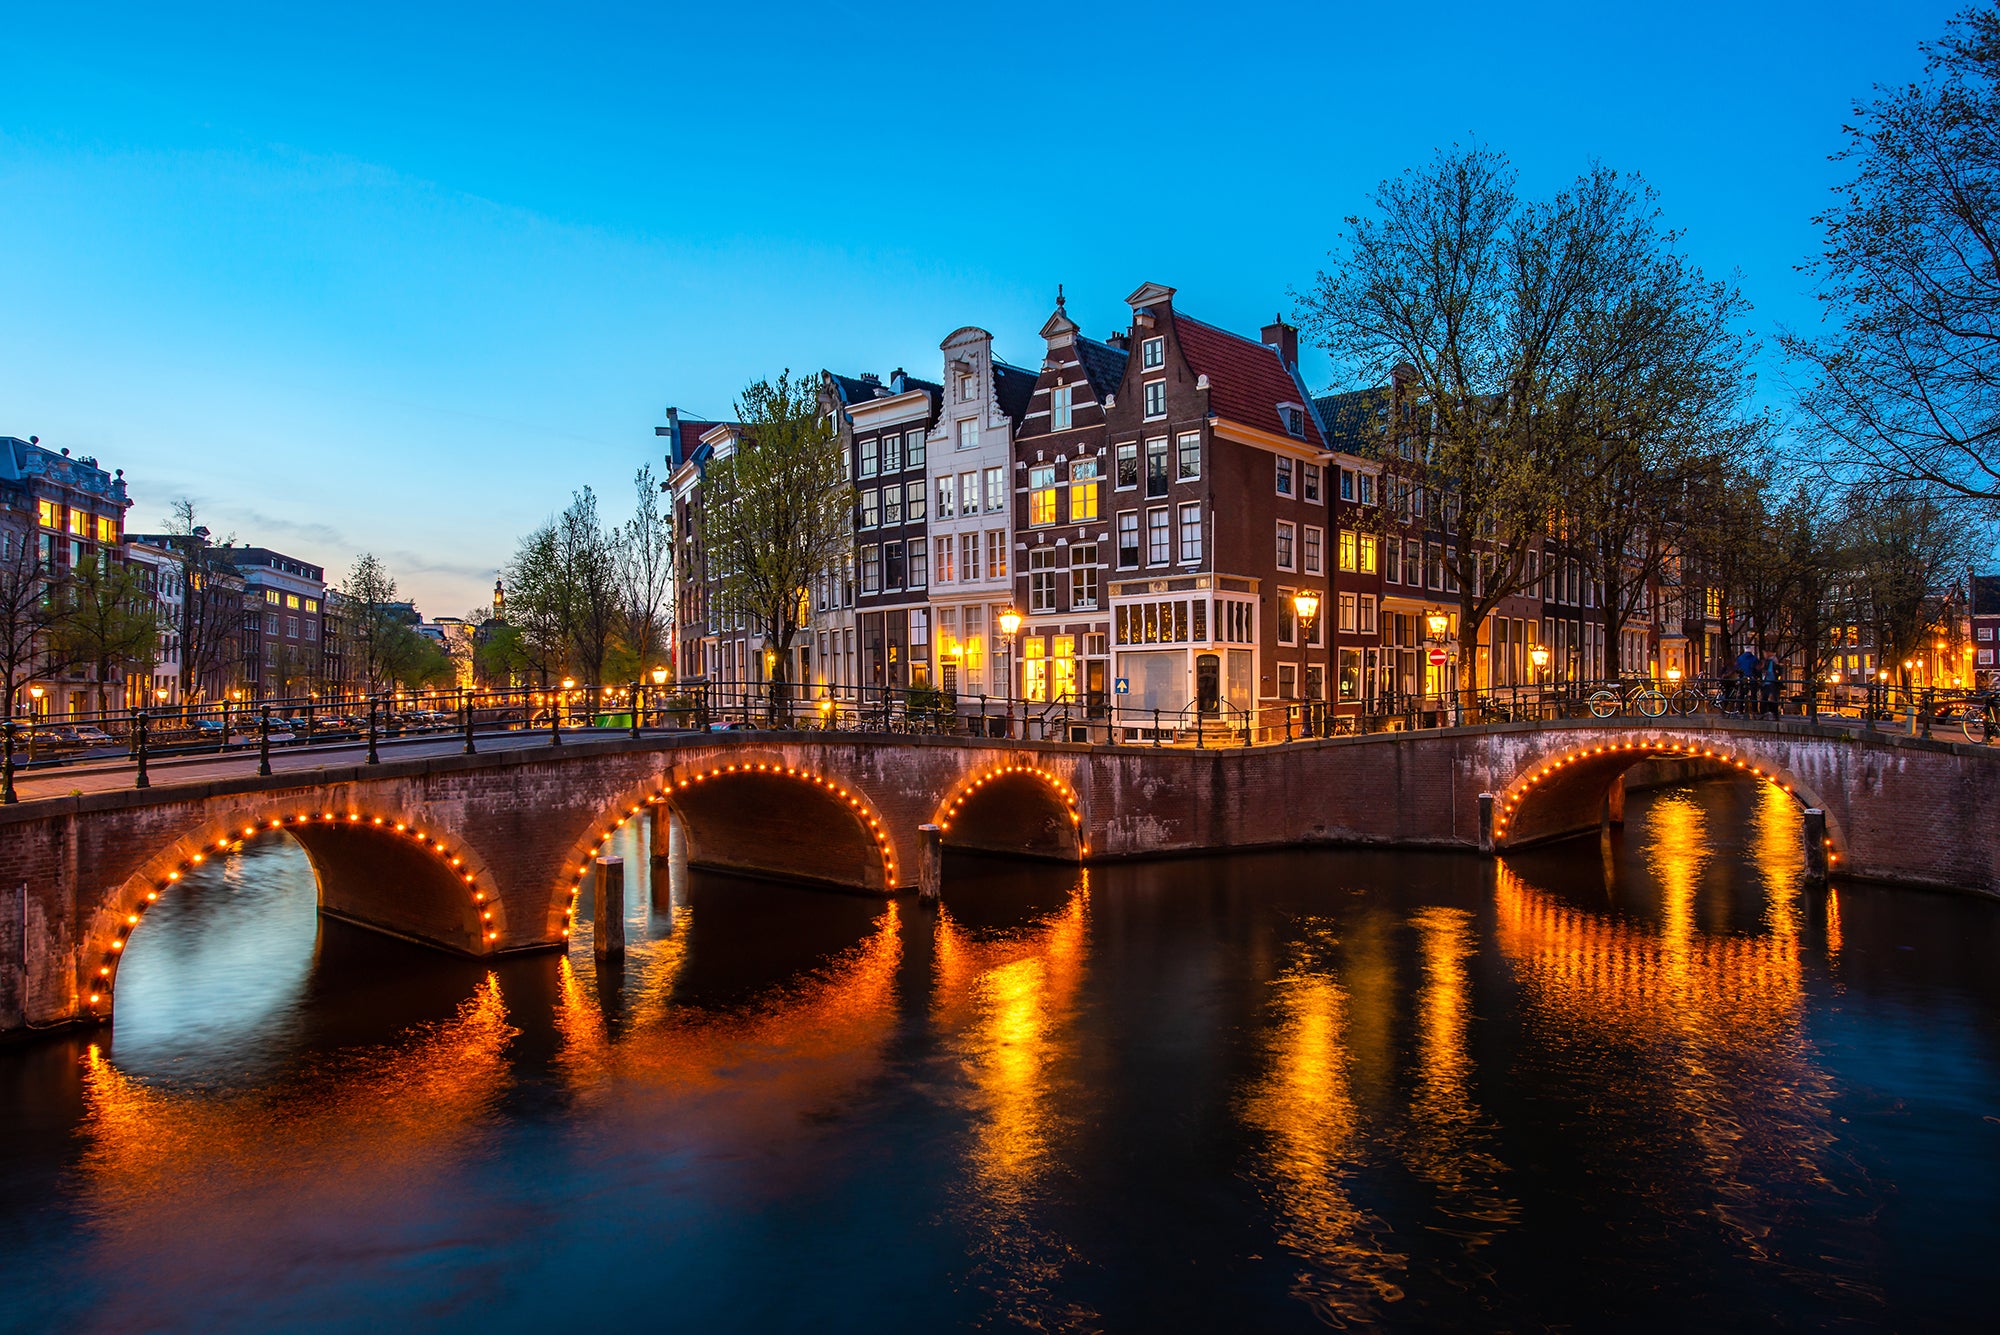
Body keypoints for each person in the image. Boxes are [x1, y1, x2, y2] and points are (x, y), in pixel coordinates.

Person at [1732, 646, 1759, 712]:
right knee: (1753, 695)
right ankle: (1754, 710)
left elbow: (1736, 668)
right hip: (1752, 678)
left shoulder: (1740, 658)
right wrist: (1757, 676)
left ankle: (1740, 709)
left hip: (1743, 678)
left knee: (1741, 693)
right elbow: (1758, 669)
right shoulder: (1754, 659)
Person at [1762, 654, 1782, 718]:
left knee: (1771, 698)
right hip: (1768, 683)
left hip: (1771, 683)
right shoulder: (1767, 663)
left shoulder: (1773, 664)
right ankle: (1766, 712)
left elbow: (1779, 672)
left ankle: (1773, 712)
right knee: (1766, 697)